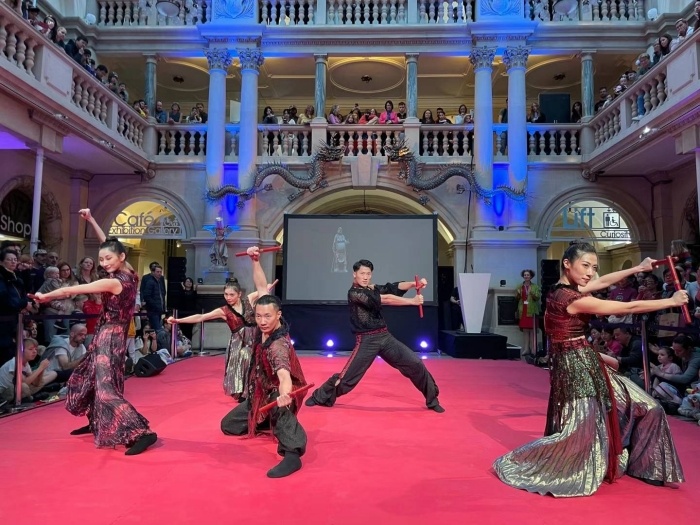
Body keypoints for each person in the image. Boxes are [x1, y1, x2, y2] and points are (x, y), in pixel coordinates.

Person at [494, 242, 686, 497]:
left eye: (593, 267)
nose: (590, 272)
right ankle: (533, 461)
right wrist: (670, 300)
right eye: (585, 265)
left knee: (650, 406)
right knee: (580, 431)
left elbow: (602, 281)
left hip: (587, 359)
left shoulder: (565, 289)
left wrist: (638, 268)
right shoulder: (569, 299)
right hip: (575, 368)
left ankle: (647, 467)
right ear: (567, 263)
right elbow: (627, 307)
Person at [31, 232, 157, 456]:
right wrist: (90, 220)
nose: (104, 263)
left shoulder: (113, 282)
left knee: (106, 389)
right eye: (101, 259)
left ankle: (141, 432)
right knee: (90, 378)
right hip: (112, 335)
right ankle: (97, 421)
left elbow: (70, 290)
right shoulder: (130, 272)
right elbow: (108, 243)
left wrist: (46, 296)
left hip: (109, 337)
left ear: (121, 257)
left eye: (109, 258)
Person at [306, 259, 444, 412]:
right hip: (366, 341)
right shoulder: (355, 293)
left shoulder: (372, 288)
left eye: (368, 274)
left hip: (385, 337)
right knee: (347, 379)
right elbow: (387, 299)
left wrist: (414, 284)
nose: (365, 277)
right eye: (362, 273)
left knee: (415, 363)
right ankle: (319, 396)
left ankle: (432, 399)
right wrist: (412, 301)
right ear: (354, 274)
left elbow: (392, 288)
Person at [220, 248, 308, 478]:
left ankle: (292, 453)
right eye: (258, 316)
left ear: (278, 315)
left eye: (267, 316)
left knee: (280, 406)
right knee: (229, 425)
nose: (262, 321)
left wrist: (285, 395)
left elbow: (284, 375)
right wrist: (255, 261)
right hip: (261, 390)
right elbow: (261, 288)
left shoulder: (278, 345)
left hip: (281, 390)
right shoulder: (263, 324)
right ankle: (268, 420)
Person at [168, 277, 258, 400]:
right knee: (243, 362)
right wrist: (178, 320)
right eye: (226, 294)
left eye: (231, 294)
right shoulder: (224, 311)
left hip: (255, 340)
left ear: (239, 294)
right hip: (238, 343)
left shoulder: (248, 301)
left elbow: (262, 289)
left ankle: (255, 391)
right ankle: (244, 393)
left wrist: (267, 287)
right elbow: (201, 317)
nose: (228, 297)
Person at [515, 269, 541, 359]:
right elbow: (517, 298)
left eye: (528, 275)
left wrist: (531, 292)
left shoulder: (535, 287)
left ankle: (533, 349)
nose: (526, 276)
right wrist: (518, 294)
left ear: (531, 276)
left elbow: (537, 297)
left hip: (532, 310)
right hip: (523, 309)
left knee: (532, 330)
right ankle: (526, 349)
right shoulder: (520, 286)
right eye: (525, 275)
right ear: (523, 276)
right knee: (525, 330)